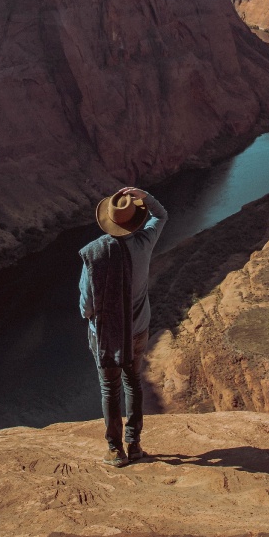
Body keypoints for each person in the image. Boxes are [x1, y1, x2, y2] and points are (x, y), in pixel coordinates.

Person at [79, 186, 168, 467]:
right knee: (133, 382)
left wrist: (93, 318)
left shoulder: (94, 254)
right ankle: (135, 444)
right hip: (138, 331)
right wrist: (145, 196)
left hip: (106, 335)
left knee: (110, 389)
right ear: (134, 220)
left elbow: (86, 305)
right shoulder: (145, 242)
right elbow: (162, 215)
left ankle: (115, 451)